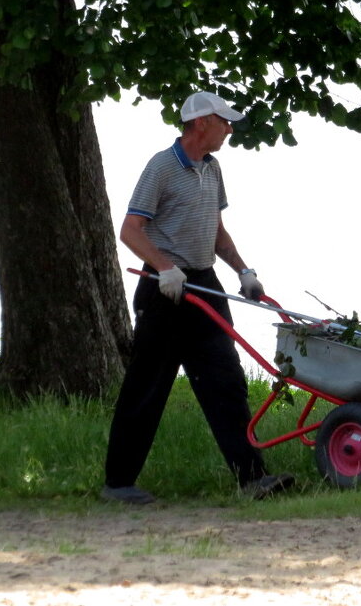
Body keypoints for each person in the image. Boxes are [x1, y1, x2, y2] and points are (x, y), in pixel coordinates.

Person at [101, 91, 294, 504]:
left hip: (205, 284)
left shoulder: (213, 167)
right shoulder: (161, 167)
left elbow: (216, 230)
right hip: (165, 289)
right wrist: (164, 268)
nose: (229, 128)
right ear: (201, 122)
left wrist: (243, 271)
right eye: (224, 121)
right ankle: (118, 484)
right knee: (147, 387)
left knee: (226, 382)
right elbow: (131, 229)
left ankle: (252, 478)